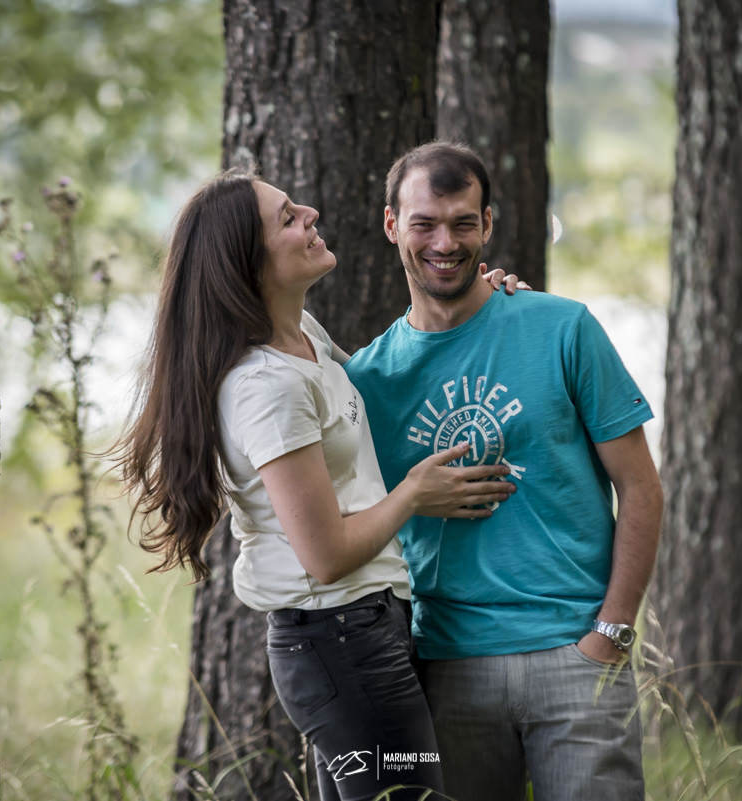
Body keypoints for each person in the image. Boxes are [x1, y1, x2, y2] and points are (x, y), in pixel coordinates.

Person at [112, 170, 521, 801]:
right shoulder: (266, 387)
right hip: (340, 643)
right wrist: (413, 494)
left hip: (366, 631)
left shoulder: (306, 340)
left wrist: (479, 306)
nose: (309, 211)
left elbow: (393, 395)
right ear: (248, 262)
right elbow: (324, 556)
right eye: (285, 217)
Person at [345, 142, 664, 801]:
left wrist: (612, 631)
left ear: (488, 224)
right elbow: (346, 527)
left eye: (464, 222)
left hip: (576, 656)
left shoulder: (561, 327)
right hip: (445, 666)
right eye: (425, 223)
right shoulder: (367, 380)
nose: (445, 241)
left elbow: (641, 486)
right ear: (390, 226)